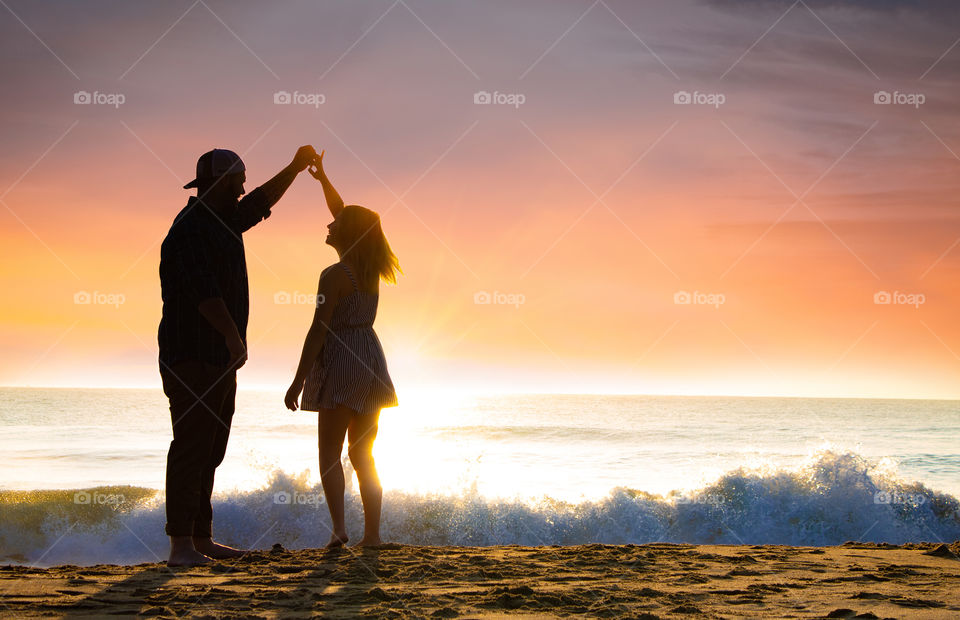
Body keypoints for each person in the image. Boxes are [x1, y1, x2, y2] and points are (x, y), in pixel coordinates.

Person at [159, 145, 317, 567]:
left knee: (211, 448)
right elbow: (202, 291)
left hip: (218, 359)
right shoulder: (191, 227)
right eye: (239, 180)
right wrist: (233, 337)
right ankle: (180, 547)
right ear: (222, 182)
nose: (245, 187)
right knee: (192, 444)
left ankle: (200, 538)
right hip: (192, 354)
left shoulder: (223, 221)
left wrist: (296, 166)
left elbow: (261, 203)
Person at [284, 150, 400, 548]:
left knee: (330, 454)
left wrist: (297, 381)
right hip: (368, 358)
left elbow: (318, 331)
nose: (328, 222)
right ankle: (372, 535)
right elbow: (347, 214)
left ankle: (339, 531)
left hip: (339, 359)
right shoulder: (369, 270)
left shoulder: (333, 275)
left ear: (347, 233)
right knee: (363, 455)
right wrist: (323, 180)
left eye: (335, 223)